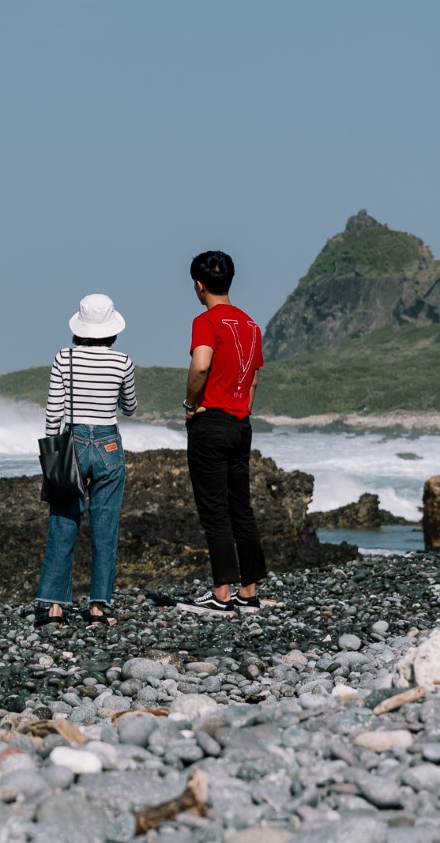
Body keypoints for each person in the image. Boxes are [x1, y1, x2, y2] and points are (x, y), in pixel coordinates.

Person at [33, 294, 138, 629]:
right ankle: (97, 608)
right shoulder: (123, 362)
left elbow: (54, 412)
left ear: (79, 326)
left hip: (73, 442)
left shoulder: (63, 358)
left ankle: (54, 609)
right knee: (105, 528)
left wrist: (53, 453)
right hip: (108, 444)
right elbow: (130, 407)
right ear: (111, 328)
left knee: (63, 524)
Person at [178, 250, 267, 617]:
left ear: (199, 285)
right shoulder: (251, 325)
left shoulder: (206, 320)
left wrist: (189, 403)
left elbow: (201, 364)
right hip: (240, 423)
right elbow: (255, 380)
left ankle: (221, 593)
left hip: (210, 420)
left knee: (214, 509)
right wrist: (240, 409)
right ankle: (249, 591)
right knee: (240, 508)